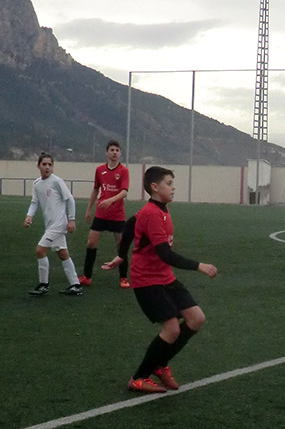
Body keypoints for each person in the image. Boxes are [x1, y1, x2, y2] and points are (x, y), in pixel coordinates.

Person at [105, 166, 218, 394]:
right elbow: (165, 254)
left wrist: (121, 254)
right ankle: (138, 378)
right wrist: (199, 266)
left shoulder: (160, 210)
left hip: (164, 277)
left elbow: (129, 224)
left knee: (196, 318)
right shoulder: (152, 213)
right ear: (155, 188)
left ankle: (161, 364)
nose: (173, 187)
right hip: (147, 280)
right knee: (172, 329)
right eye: (169, 183)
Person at [24, 153, 83, 296]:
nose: (47, 167)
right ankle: (75, 285)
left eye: (50, 164)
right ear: (38, 165)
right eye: (44, 164)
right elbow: (34, 202)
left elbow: (70, 199)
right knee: (63, 253)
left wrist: (72, 219)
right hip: (50, 225)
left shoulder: (57, 181)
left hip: (58, 225)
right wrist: (29, 216)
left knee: (40, 250)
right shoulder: (37, 184)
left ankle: (44, 284)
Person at [80, 140, 130, 288]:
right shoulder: (99, 170)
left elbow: (124, 192)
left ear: (120, 153)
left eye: (117, 150)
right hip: (101, 214)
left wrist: (111, 200)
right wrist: (89, 208)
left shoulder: (123, 171)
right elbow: (96, 189)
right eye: (112, 150)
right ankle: (87, 276)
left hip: (117, 215)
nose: (114, 152)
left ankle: (123, 278)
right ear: (107, 152)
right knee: (91, 243)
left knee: (121, 246)